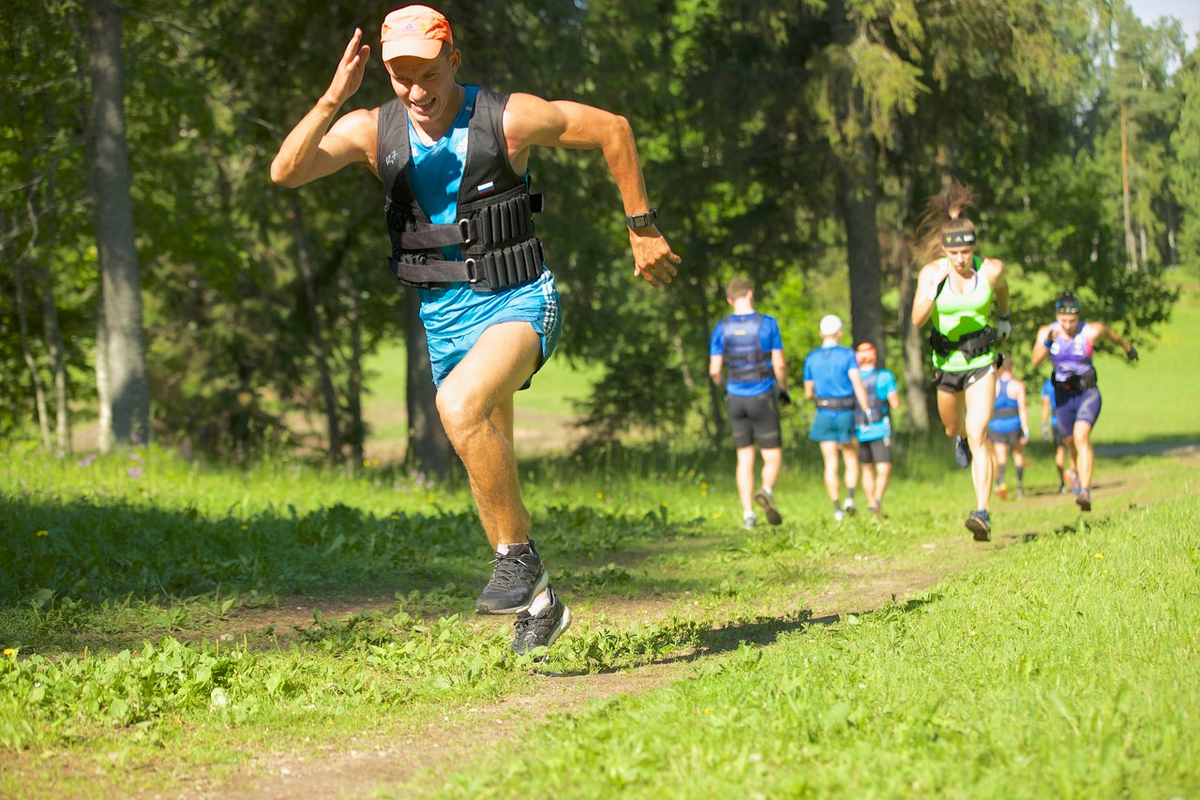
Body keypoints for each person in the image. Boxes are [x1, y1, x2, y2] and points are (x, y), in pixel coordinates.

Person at [270, 5, 681, 656]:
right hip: (446, 319)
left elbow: (614, 130)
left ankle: (517, 558)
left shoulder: (506, 117)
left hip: (520, 298)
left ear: (453, 61)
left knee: (457, 407)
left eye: (427, 73)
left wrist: (642, 225)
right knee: (490, 465)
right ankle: (541, 601)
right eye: (400, 77)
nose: (415, 90)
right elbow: (286, 172)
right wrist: (331, 97)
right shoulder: (371, 130)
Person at [910, 179, 1011, 541]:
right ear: (944, 251)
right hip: (946, 365)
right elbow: (917, 320)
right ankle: (959, 441)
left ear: (974, 249)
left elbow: (1001, 290)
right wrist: (933, 292)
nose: (961, 260)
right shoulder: (932, 273)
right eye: (954, 254)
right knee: (955, 429)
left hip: (982, 361)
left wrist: (1005, 316)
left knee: (978, 431)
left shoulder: (991, 270)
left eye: (966, 252)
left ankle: (982, 512)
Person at [1031, 290, 1137, 512]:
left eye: (1072, 321)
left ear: (1078, 318)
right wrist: (1048, 343)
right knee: (1070, 441)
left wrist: (1127, 348)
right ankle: (1075, 470)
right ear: (1057, 317)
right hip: (1062, 396)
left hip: (1087, 393)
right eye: (1063, 321)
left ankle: (1086, 491)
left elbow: (1112, 336)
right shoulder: (1047, 332)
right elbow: (1035, 361)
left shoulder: (1090, 331)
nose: (1068, 326)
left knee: (1081, 436)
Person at [708, 277, 788, 530]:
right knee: (772, 454)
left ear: (729, 300)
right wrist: (783, 389)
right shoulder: (768, 324)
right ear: (751, 294)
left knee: (744, 457)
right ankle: (765, 489)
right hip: (762, 395)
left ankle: (748, 515)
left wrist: (725, 388)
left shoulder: (721, 328)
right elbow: (780, 365)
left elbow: (714, 371)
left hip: (735, 397)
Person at [803, 315, 872, 521]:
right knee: (851, 459)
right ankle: (850, 498)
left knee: (830, 463)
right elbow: (857, 383)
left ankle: (836, 509)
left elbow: (808, 392)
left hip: (824, 412)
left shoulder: (812, 358)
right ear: (840, 333)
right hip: (845, 412)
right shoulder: (848, 355)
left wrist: (820, 398)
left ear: (821, 334)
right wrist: (867, 410)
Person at [853, 342, 900, 516]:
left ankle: (870, 501)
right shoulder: (885, 376)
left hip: (859, 430)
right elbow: (895, 404)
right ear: (875, 355)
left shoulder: (852, 377)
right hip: (880, 428)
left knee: (866, 468)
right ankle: (877, 499)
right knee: (883, 467)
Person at [987, 362, 1030, 500]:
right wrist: (1025, 428)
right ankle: (1019, 487)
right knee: (1018, 455)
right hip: (1014, 424)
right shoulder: (1018, 386)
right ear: (1013, 367)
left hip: (997, 425)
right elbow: (1022, 407)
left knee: (1000, 457)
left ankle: (1000, 484)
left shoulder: (993, 385)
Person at [1040, 375, 1077, 494]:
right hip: (1068, 418)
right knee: (1072, 449)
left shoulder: (1047, 383)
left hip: (1055, 420)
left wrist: (1044, 422)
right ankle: (1073, 476)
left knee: (1060, 451)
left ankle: (1062, 483)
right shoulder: (1069, 379)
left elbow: (1046, 404)